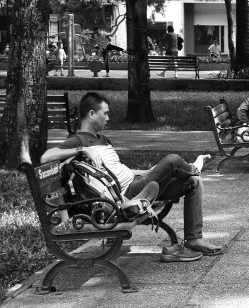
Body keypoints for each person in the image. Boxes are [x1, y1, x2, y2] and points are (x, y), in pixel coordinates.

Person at [40, 92, 223, 262]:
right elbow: (45, 157)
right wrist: (82, 150)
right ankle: (194, 167)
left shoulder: (103, 140)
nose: (108, 118)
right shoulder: (80, 140)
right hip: (126, 197)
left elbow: (117, 170)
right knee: (172, 160)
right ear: (92, 114)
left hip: (136, 184)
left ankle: (194, 239)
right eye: (105, 113)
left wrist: (149, 173)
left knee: (193, 182)